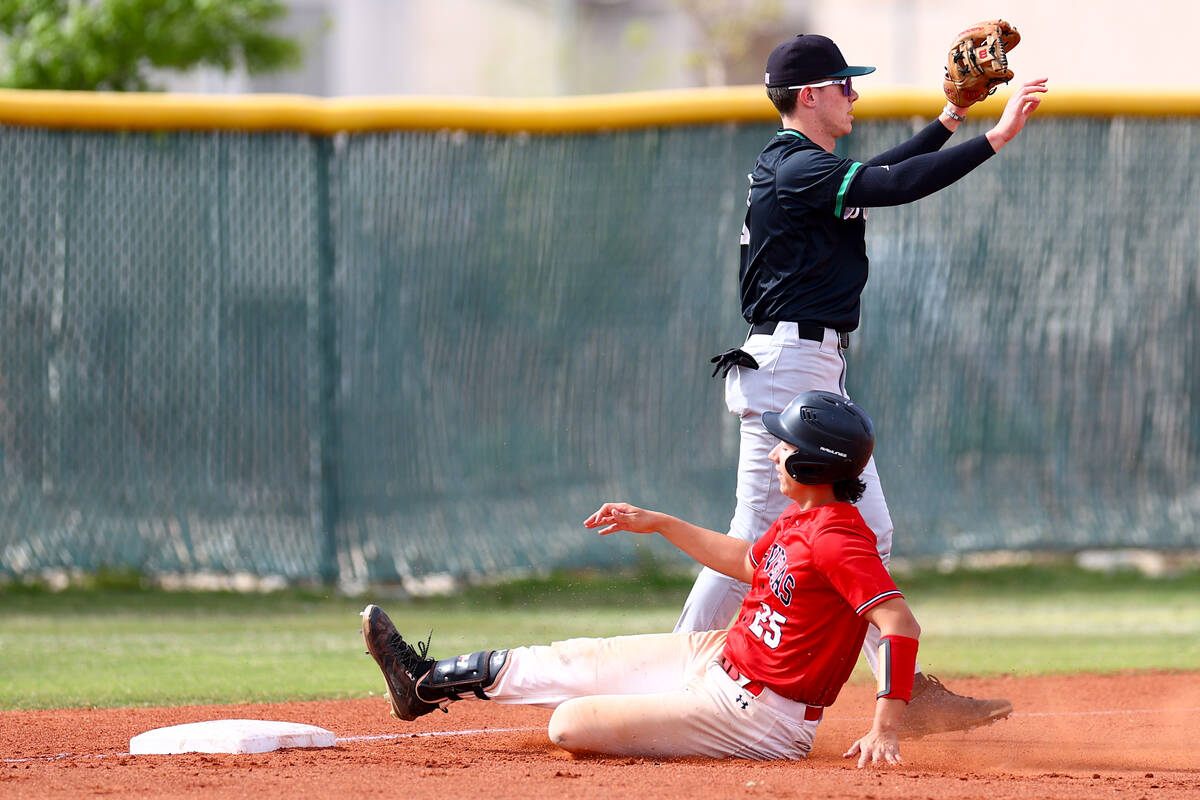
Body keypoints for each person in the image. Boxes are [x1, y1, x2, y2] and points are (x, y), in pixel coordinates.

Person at [682, 33, 1047, 738]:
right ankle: (677, 670)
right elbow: (891, 186)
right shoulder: (795, 170)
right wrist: (995, 138)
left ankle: (900, 695)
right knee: (755, 542)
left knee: (865, 532)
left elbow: (873, 174)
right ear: (811, 94)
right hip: (790, 371)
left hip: (806, 370)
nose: (853, 94)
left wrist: (949, 119)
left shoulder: (800, 168)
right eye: (843, 84)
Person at [363, 392, 924, 765]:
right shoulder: (803, 518)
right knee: (576, 659)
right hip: (720, 655)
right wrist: (657, 523)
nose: (775, 452)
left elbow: (898, 621)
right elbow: (749, 564)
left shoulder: (838, 537)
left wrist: (886, 727)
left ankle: (676, 708)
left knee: (569, 725)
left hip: (762, 717)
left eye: (786, 446)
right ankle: (422, 682)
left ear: (812, 467)